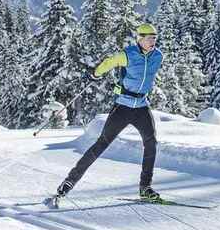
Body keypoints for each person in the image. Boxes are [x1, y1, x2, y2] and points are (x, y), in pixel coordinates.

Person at [45, 23, 164, 208]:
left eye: (155, 38)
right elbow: (109, 62)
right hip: (123, 106)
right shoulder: (128, 54)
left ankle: (145, 187)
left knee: (151, 143)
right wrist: (95, 73)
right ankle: (68, 184)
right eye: (149, 38)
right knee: (101, 144)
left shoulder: (158, 56)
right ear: (139, 39)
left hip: (142, 106)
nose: (153, 42)